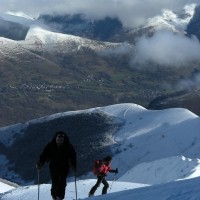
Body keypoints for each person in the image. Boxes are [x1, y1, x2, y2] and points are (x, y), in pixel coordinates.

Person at [36, 131, 77, 200]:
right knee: (55, 182)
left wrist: (74, 165)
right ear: (55, 138)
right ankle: (54, 196)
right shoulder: (50, 146)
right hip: (53, 167)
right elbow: (44, 155)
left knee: (62, 182)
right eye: (58, 139)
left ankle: (59, 197)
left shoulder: (68, 146)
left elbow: (73, 156)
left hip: (64, 167)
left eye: (61, 139)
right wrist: (40, 163)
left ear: (64, 139)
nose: (59, 141)